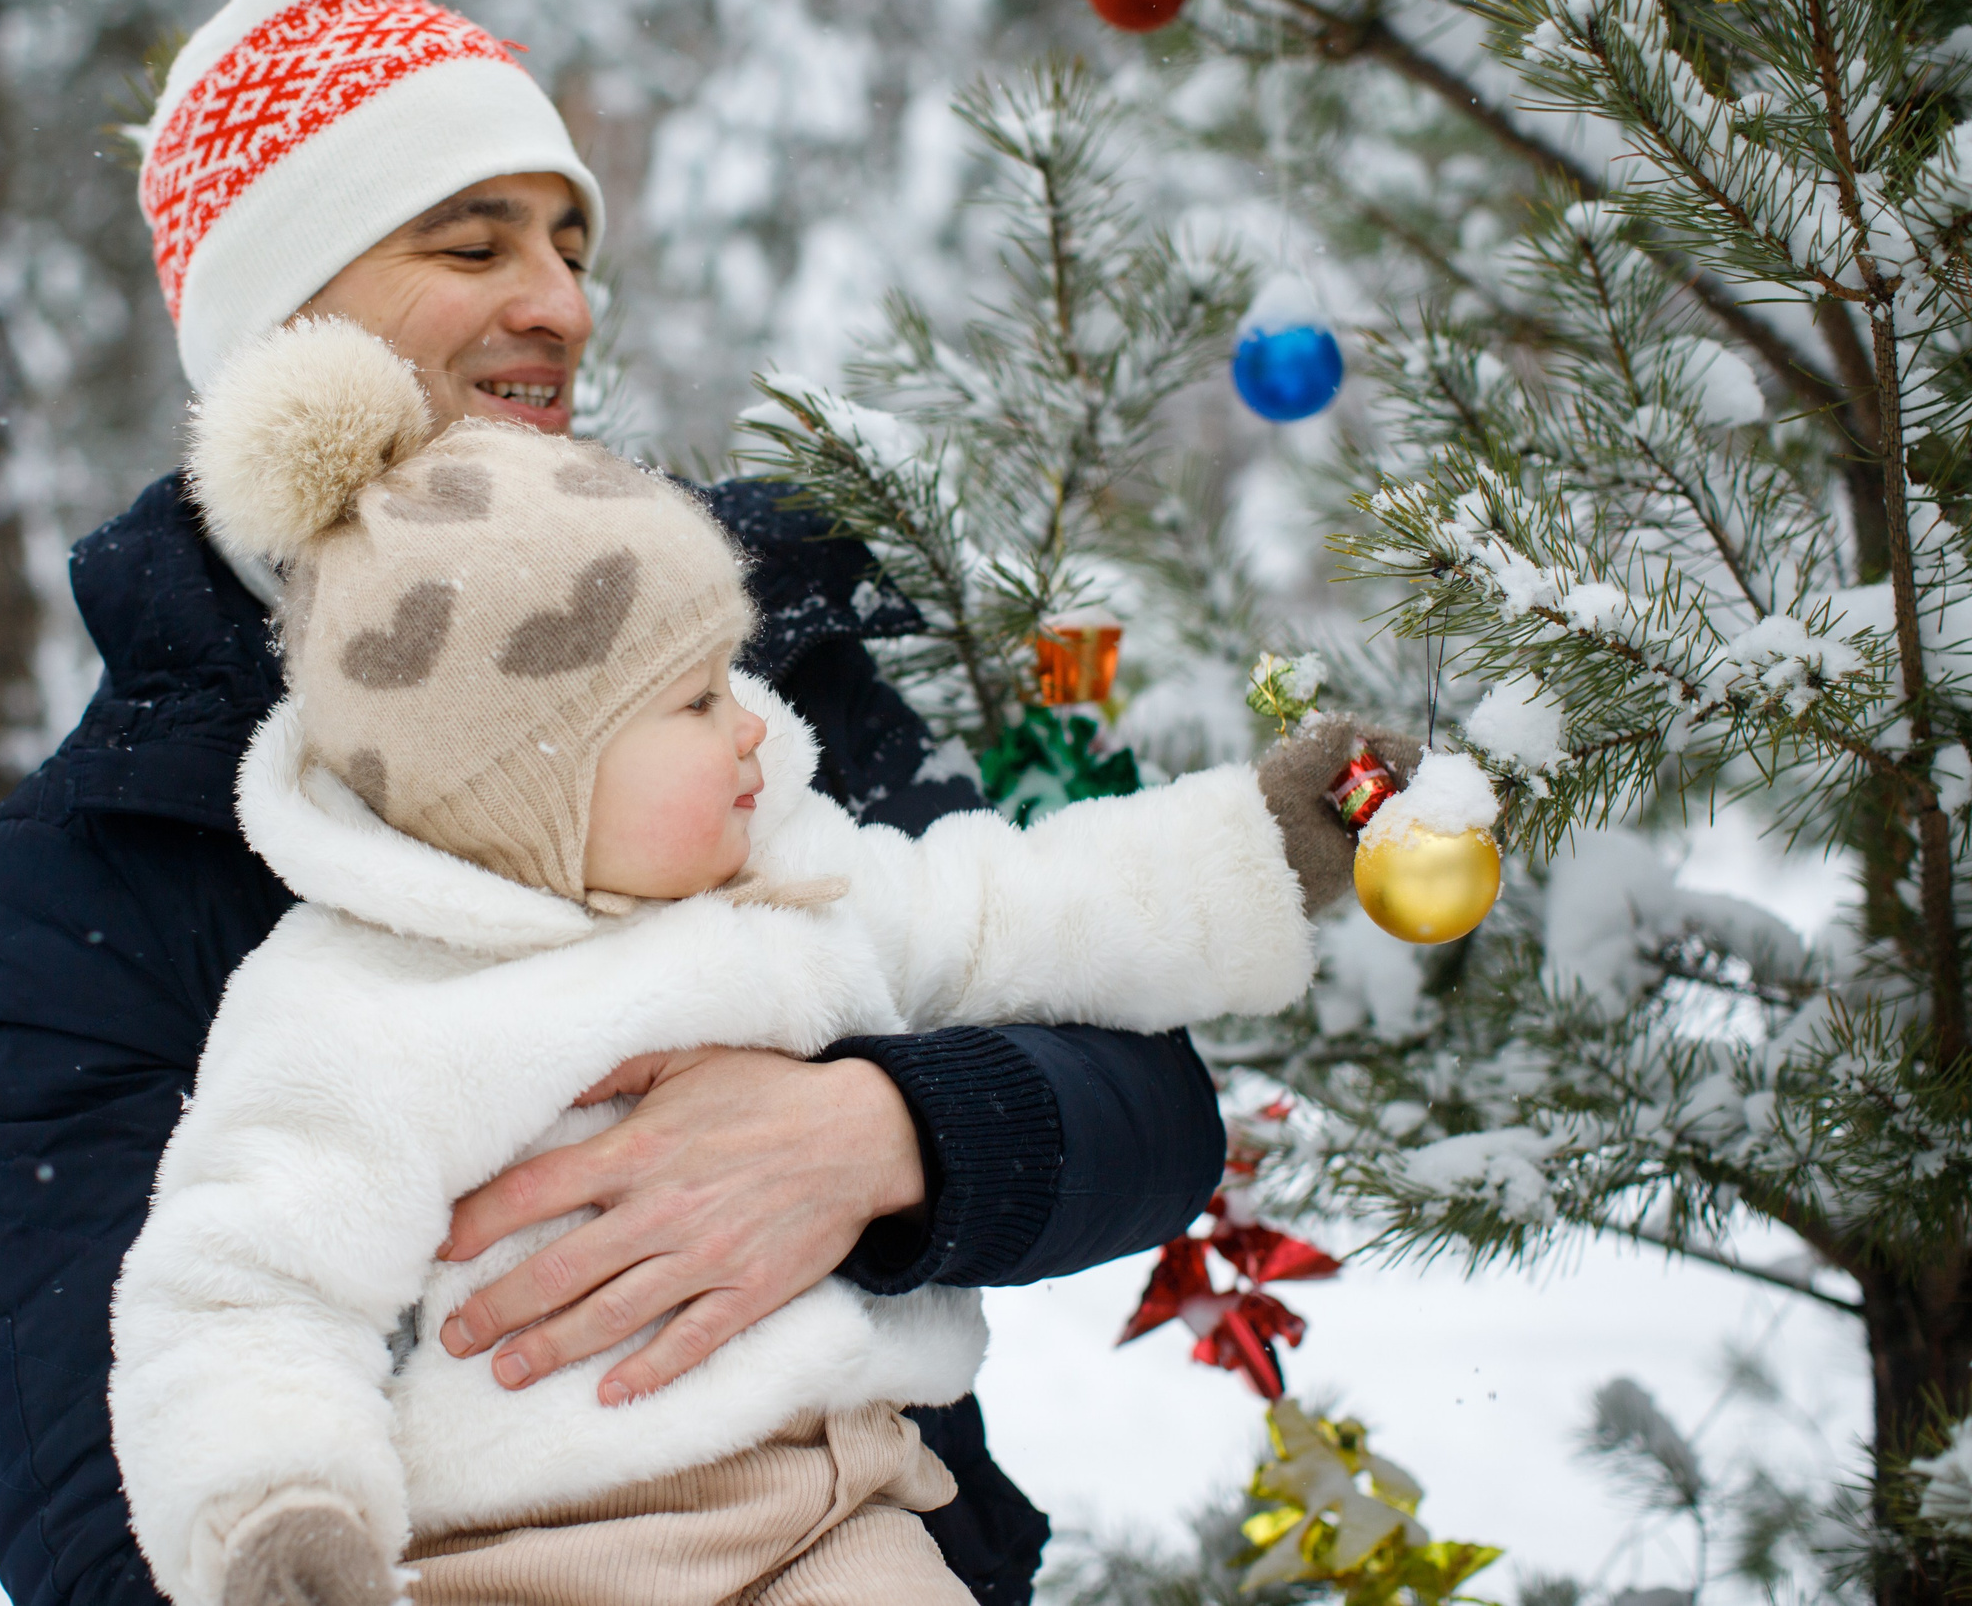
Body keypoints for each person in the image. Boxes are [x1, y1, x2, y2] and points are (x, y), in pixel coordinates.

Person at [0, 0, 1410, 1603]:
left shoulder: (734, 658)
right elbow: (102, 1469)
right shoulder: (109, 860)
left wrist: (883, 1131)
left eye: (568, 243)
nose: (559, 299)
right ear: (286, 333)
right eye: (472, 247)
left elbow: (1125, 1076)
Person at [104, 318, 1332, 1606]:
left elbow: (1018, 909)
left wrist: (1259, 847)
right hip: (517, 1559)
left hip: (833, 1525)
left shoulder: (793, 877)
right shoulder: (360, 1009)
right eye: (695, 701)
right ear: (537, 783)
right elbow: (248, 1292)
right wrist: (286, 1519)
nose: (755, 726)